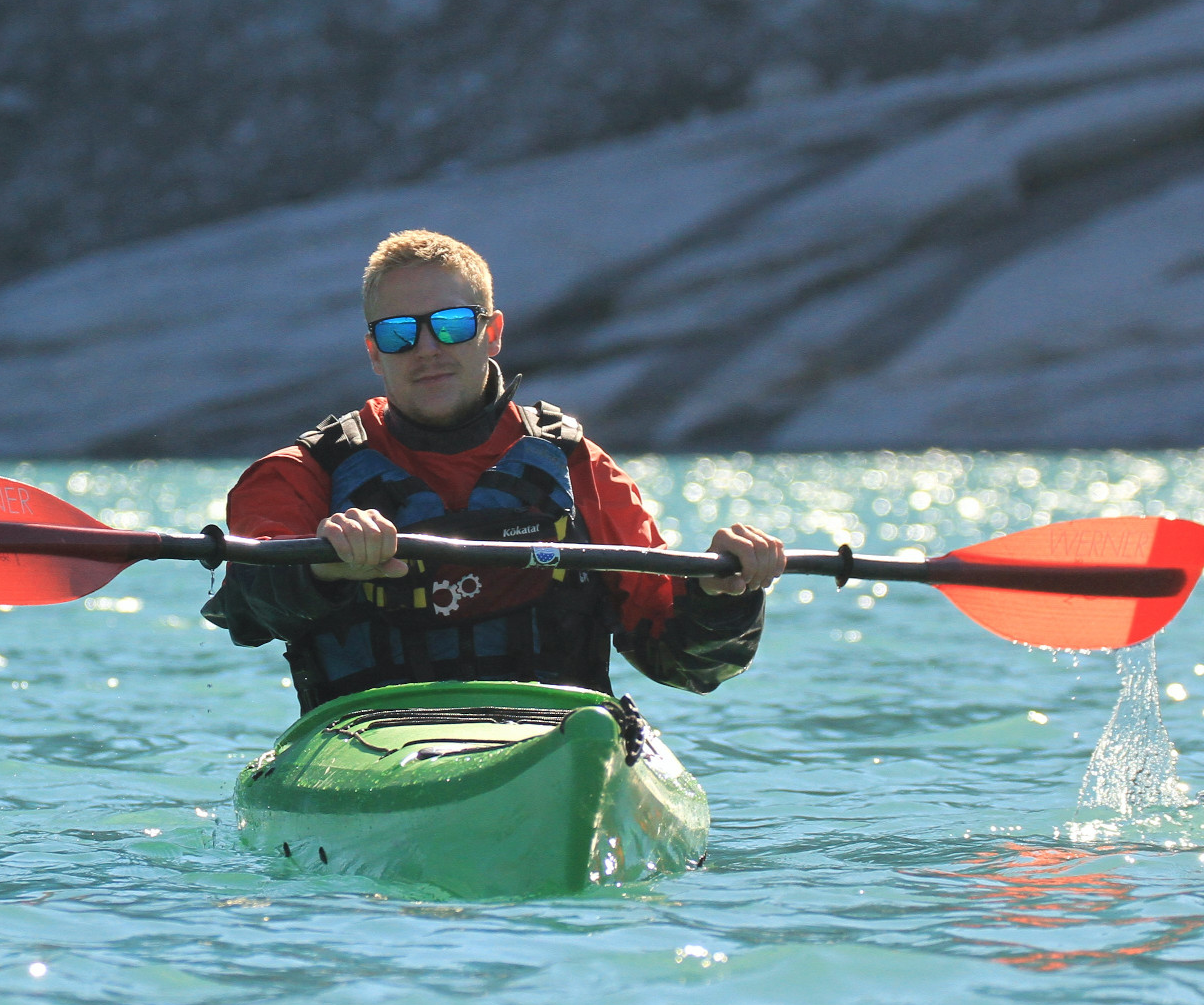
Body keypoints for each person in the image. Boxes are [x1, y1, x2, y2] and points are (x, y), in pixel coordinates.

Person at [201, 229, 785, 711]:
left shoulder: (576, 465)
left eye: (452, 324)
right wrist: (324, 569)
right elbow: (248, 610)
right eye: (400, 333)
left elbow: (682, 662)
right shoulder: (298, 474)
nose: (427, 348)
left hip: (556, 746)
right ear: (374, 353)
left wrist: (723, 592)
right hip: (372, 751)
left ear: (493, 333)